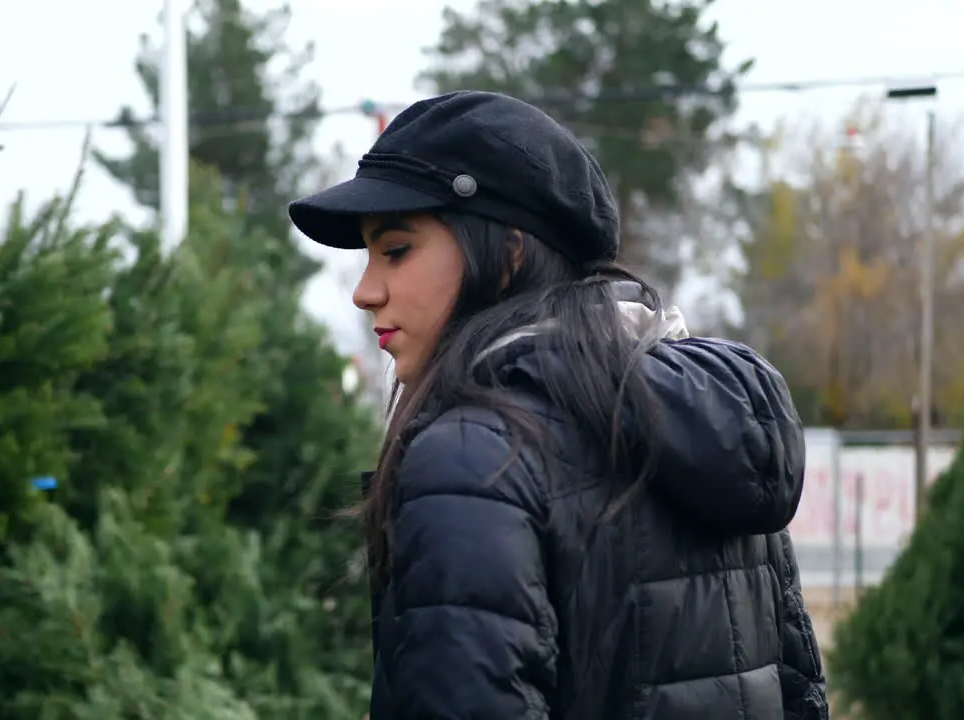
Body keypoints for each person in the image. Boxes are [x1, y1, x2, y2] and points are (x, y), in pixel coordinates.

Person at [288, 91, 828, 720]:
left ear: (510, 255)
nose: (364, 291)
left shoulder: (473, 459)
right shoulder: (718, 430)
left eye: (397, 250)